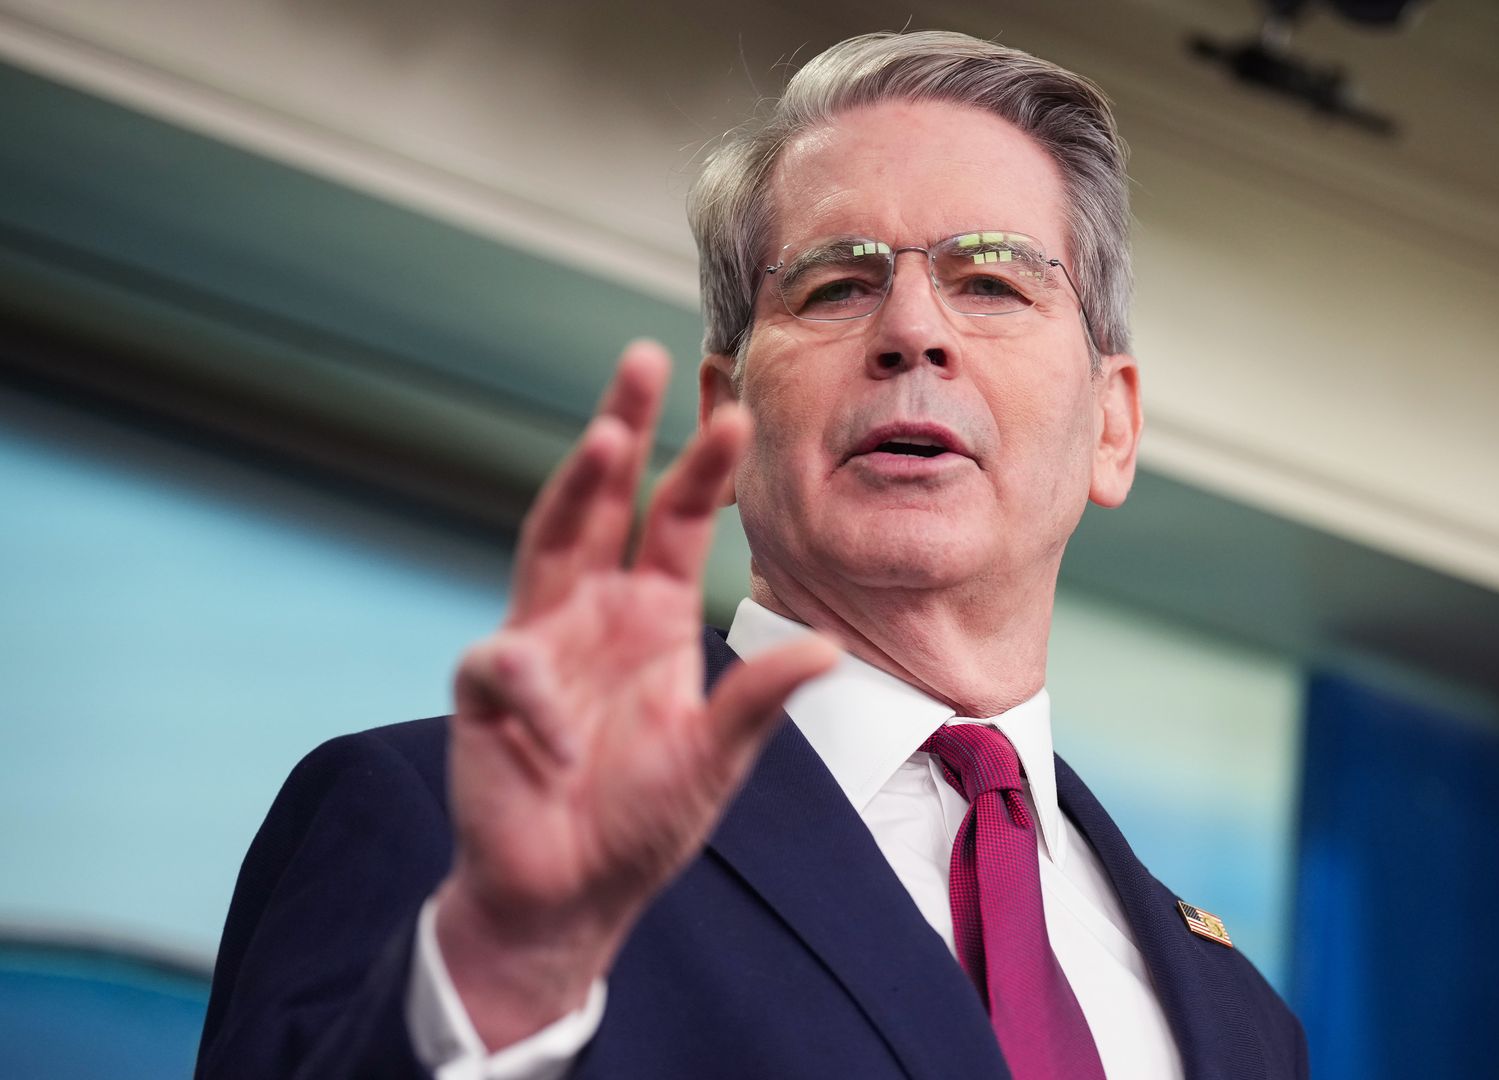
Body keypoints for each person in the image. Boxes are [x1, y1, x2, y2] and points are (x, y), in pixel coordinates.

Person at [196, 30, 1307, 1080]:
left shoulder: (1243, 1024)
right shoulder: (441, 828)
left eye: (992, 281)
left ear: (1112, 427)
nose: (913, 329)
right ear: (727, 414)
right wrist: (485, 998)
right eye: (837, 284)